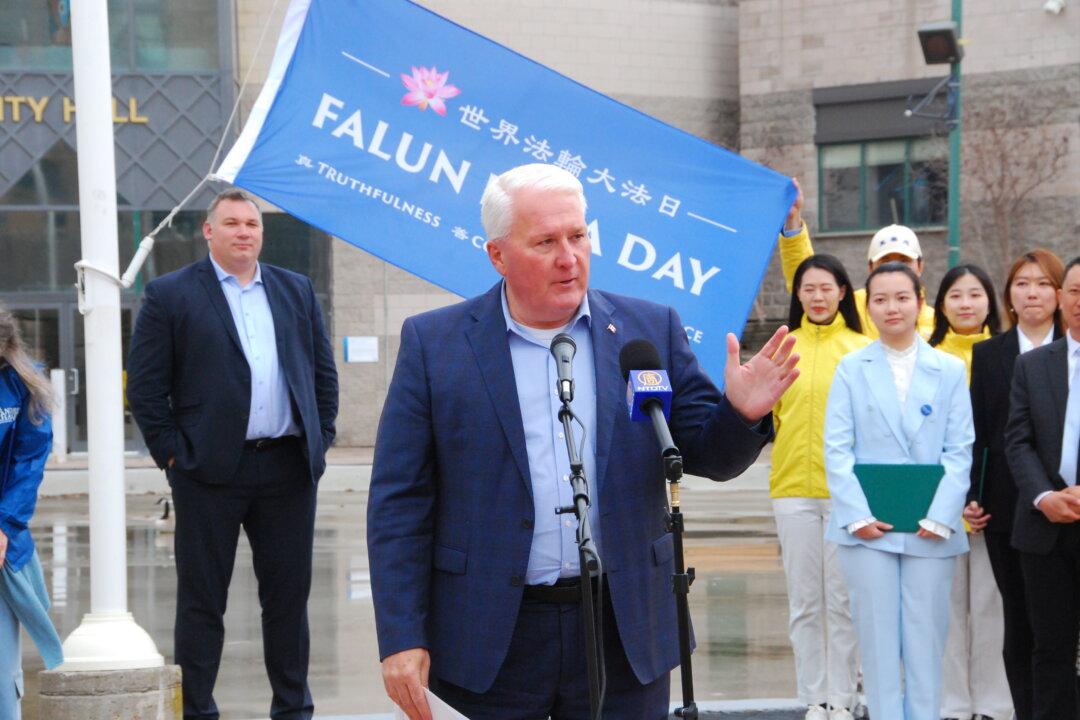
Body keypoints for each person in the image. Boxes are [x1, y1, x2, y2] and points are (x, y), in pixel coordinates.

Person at [367, 163, 800, 720]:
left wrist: (740, 412)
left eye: (577, 235)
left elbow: (703, 453)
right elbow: (399, 503)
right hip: (488, 635)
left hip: (623, 630)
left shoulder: (648, 332)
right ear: (498, 255)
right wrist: (402, 635)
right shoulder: (435, 345)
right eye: (545, 242)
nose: (569, 257)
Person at [126, 189, 339, 720]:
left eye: (252, 224)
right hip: (208, 472)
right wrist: (174, 456)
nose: (245, 231)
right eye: (233, 223)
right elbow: (147, 390)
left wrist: (321, 437)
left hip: (287, 469)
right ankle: (198, 711)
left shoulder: (295, 290)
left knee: (288, 602)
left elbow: (321, 376)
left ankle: (293, 710)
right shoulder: (171, 295)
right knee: (203, 603)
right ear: (209, 231)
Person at [824, 262, 973, 720]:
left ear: (920, 303)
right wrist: (857, 515)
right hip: (867, 528)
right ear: (868, 308)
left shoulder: (947, 370)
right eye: (881, 299)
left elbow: (960, 448)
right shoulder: (851, 368)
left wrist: (940, 515)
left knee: (927, 641)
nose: (892, 307)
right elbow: (836, 447)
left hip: (931, 526)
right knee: (877, 642)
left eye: (902, 297)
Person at [770, 255, 868, 720]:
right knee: (805, 602)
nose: (817, 296)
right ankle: (815, 698)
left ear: (843, 292)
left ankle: (843, 699)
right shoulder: (781, 348)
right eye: (808, 289)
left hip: (846, 493)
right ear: (799, 296)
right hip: (792, 490)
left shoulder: (861, 349)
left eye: (826, 287)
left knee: (843, 602)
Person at [968, 249, 1065, 720]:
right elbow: (979, 434)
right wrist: (974, 496)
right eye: (1023, 283)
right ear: (1008, 294)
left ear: (1061, 294)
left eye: (1044, 283)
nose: (1033, 292)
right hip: (1009, 509)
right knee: (1021, 622)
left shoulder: (1075, 347)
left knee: (1061, 630)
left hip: (1071, 505)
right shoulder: (989, 354)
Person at [927, 265, 1013, 720]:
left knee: (990, 610)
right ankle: (953, 705)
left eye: (975, 294)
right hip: (936, 508)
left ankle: (994, 705)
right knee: (945, 613)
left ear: (990, 302)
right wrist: (949, 503)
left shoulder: (1006, 356)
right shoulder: (926, 357)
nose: (965, 303)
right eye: (955, 295)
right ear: (940, 304)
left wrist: (981, 500)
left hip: (991, 506)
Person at [1004, 256, 1080, 720]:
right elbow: (1018, 440)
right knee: (1049, 651)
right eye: (1074, 290)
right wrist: (1043, 496)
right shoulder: (1032, 366)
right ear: (1060, 298)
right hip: (1043, 529)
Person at [0, 306, 63, 718]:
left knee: (2, 672)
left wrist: (5, 524)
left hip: (3, 542)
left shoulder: (22, 383)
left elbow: (29, 459)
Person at [780, 180, 935, 340]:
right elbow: (808, 278)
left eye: (904, 261)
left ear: (920, 266)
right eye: (885, 261)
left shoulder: (939, 322)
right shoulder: (851, 306)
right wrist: (793, 221)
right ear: (870, 267)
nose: (894, 270)